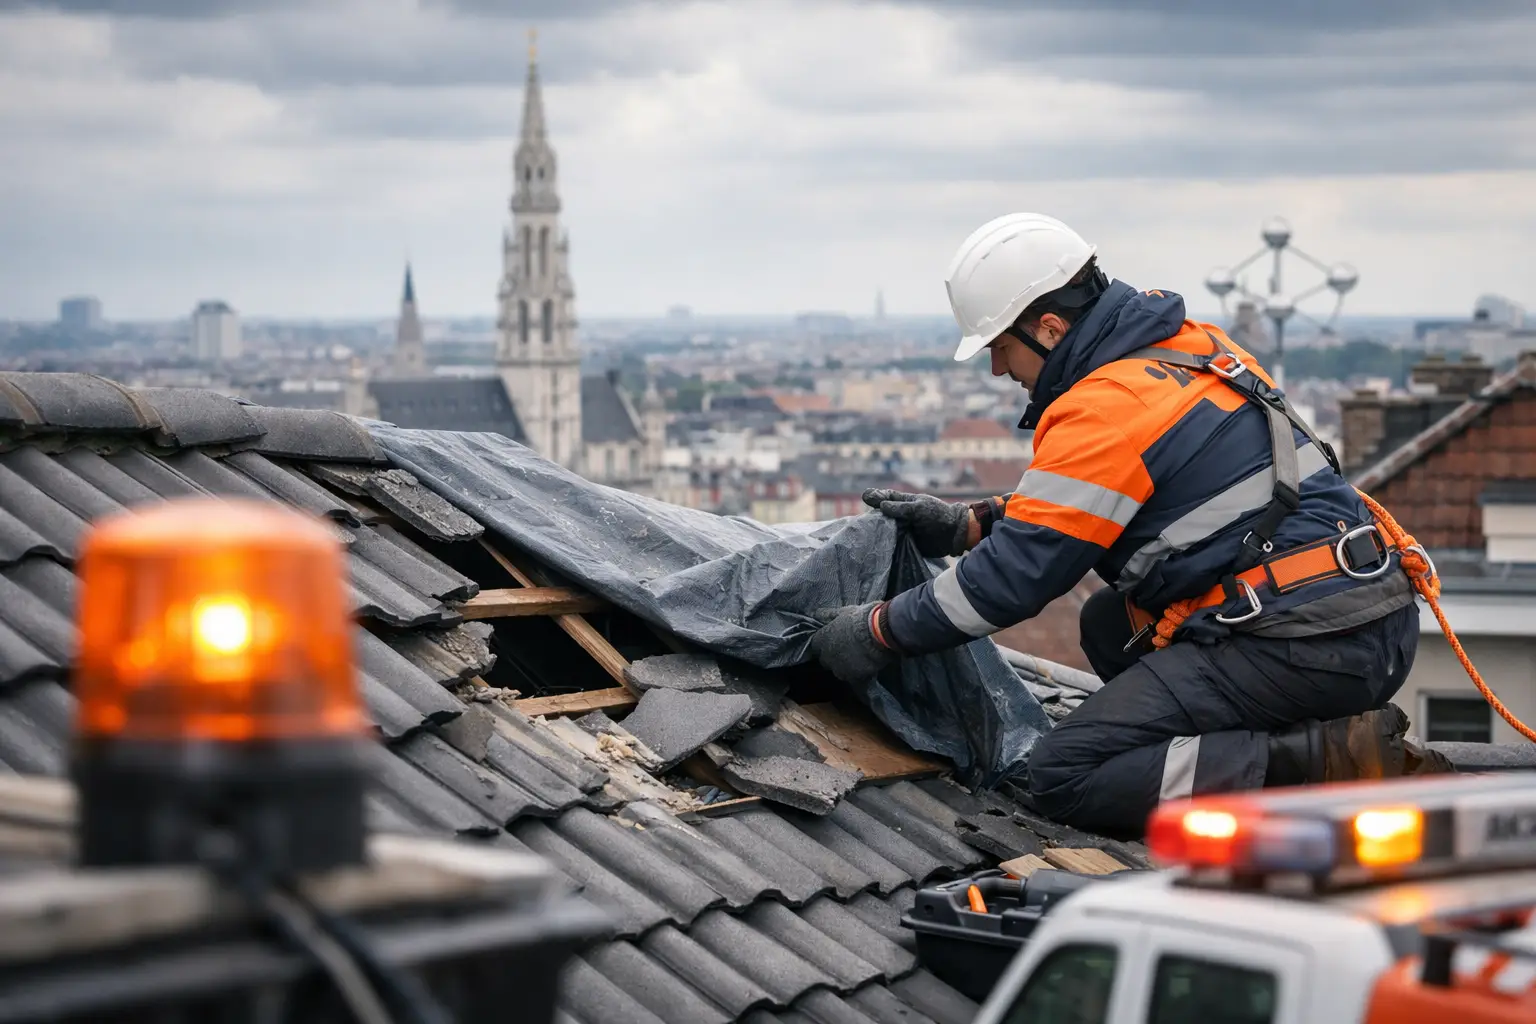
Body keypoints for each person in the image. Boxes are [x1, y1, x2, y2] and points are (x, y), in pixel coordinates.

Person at [809, 212, 1449, 836]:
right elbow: (1121, 495)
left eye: (1001, 348)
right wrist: (971, 524)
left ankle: (1321, 763)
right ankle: (1257, 746)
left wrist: (878, 630)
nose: (999, 370)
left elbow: (1010, 583)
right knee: (1109, 625)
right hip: (1362, 619)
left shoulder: (1102, 407)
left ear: (1052, 330)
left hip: (1301, 645)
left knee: (1067, 773)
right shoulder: (1191, 346)